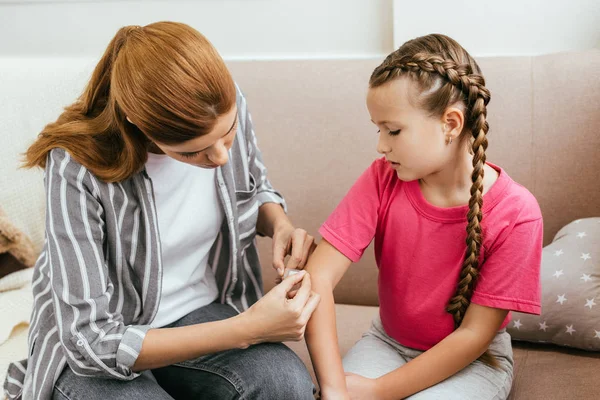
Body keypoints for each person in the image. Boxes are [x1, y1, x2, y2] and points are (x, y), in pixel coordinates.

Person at [3, 21, 319, 400]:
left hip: (196, 313)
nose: (220, 157)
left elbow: (252, 187)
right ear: (139, 126)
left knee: (285, 384)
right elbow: (90, 341)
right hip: (103, 341)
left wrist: (279, 223)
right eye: (192, 151)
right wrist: (249, 328)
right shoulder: (75, 167)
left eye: (228, 134)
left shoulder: (226, 103)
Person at [303, 34, 543, 400]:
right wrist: (335, 387)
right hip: (386, 343)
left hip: (475, 361)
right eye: (378, 129)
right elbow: (317, 277)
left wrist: (378, 390)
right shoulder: (381, 178)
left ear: (451, 123)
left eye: (394, 130)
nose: (381, 145)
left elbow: (474, 335)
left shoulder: (519, 214)